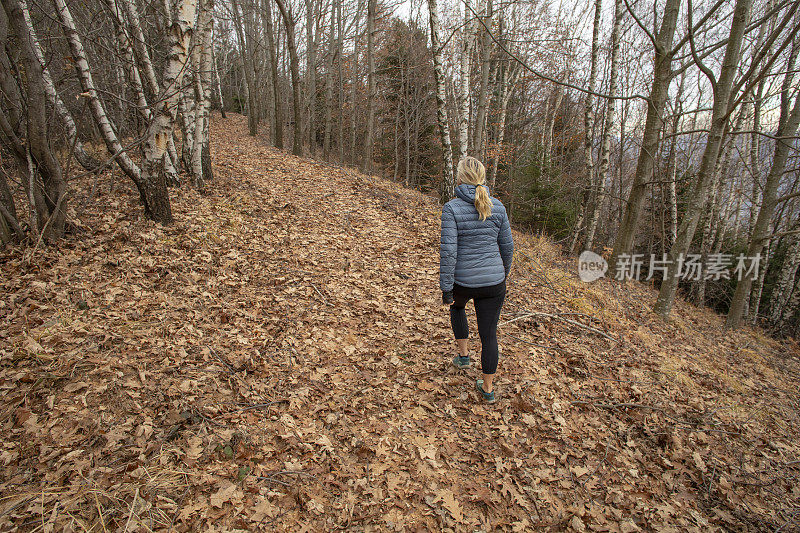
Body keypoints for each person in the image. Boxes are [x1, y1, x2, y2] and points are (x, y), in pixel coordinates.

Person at [440, 156, 514, 404]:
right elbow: (507, 247)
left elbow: (449, 252)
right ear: (482, 178)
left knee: (457, 307)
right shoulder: (498, 207)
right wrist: (502, 273)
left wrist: (446, 289)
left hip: (463, 281)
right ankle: (488, 388)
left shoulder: (451, 208)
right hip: (494, 282)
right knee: (489, 334)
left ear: (460, 178)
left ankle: (463, 356)